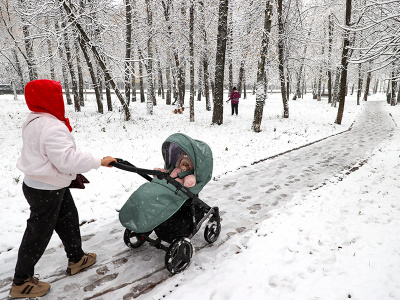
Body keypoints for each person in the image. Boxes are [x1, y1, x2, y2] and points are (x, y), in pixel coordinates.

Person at [9, 79, 117, 299]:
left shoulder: (35, 119)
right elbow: (67, 161)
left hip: (43, 183)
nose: (62, 100)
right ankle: (21, 281)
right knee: (38, 233)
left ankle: (76, 257)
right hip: (46, 187)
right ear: (49, 99)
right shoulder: (51, 126)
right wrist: (99, 161)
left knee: (68, 217)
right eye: (58, 96)